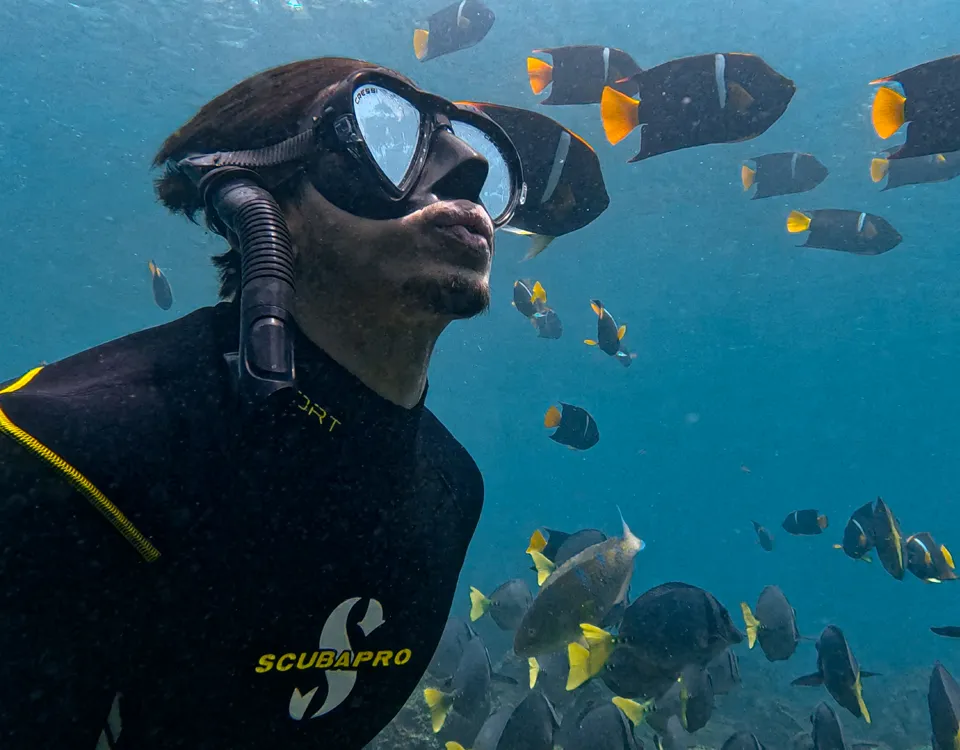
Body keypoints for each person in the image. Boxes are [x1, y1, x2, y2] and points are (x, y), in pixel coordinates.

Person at [0, 57, 524, 749]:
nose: (466, 171)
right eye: (389, 136)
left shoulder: (451, 485)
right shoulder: (62, 448)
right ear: (260, 201)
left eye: (474, 151)